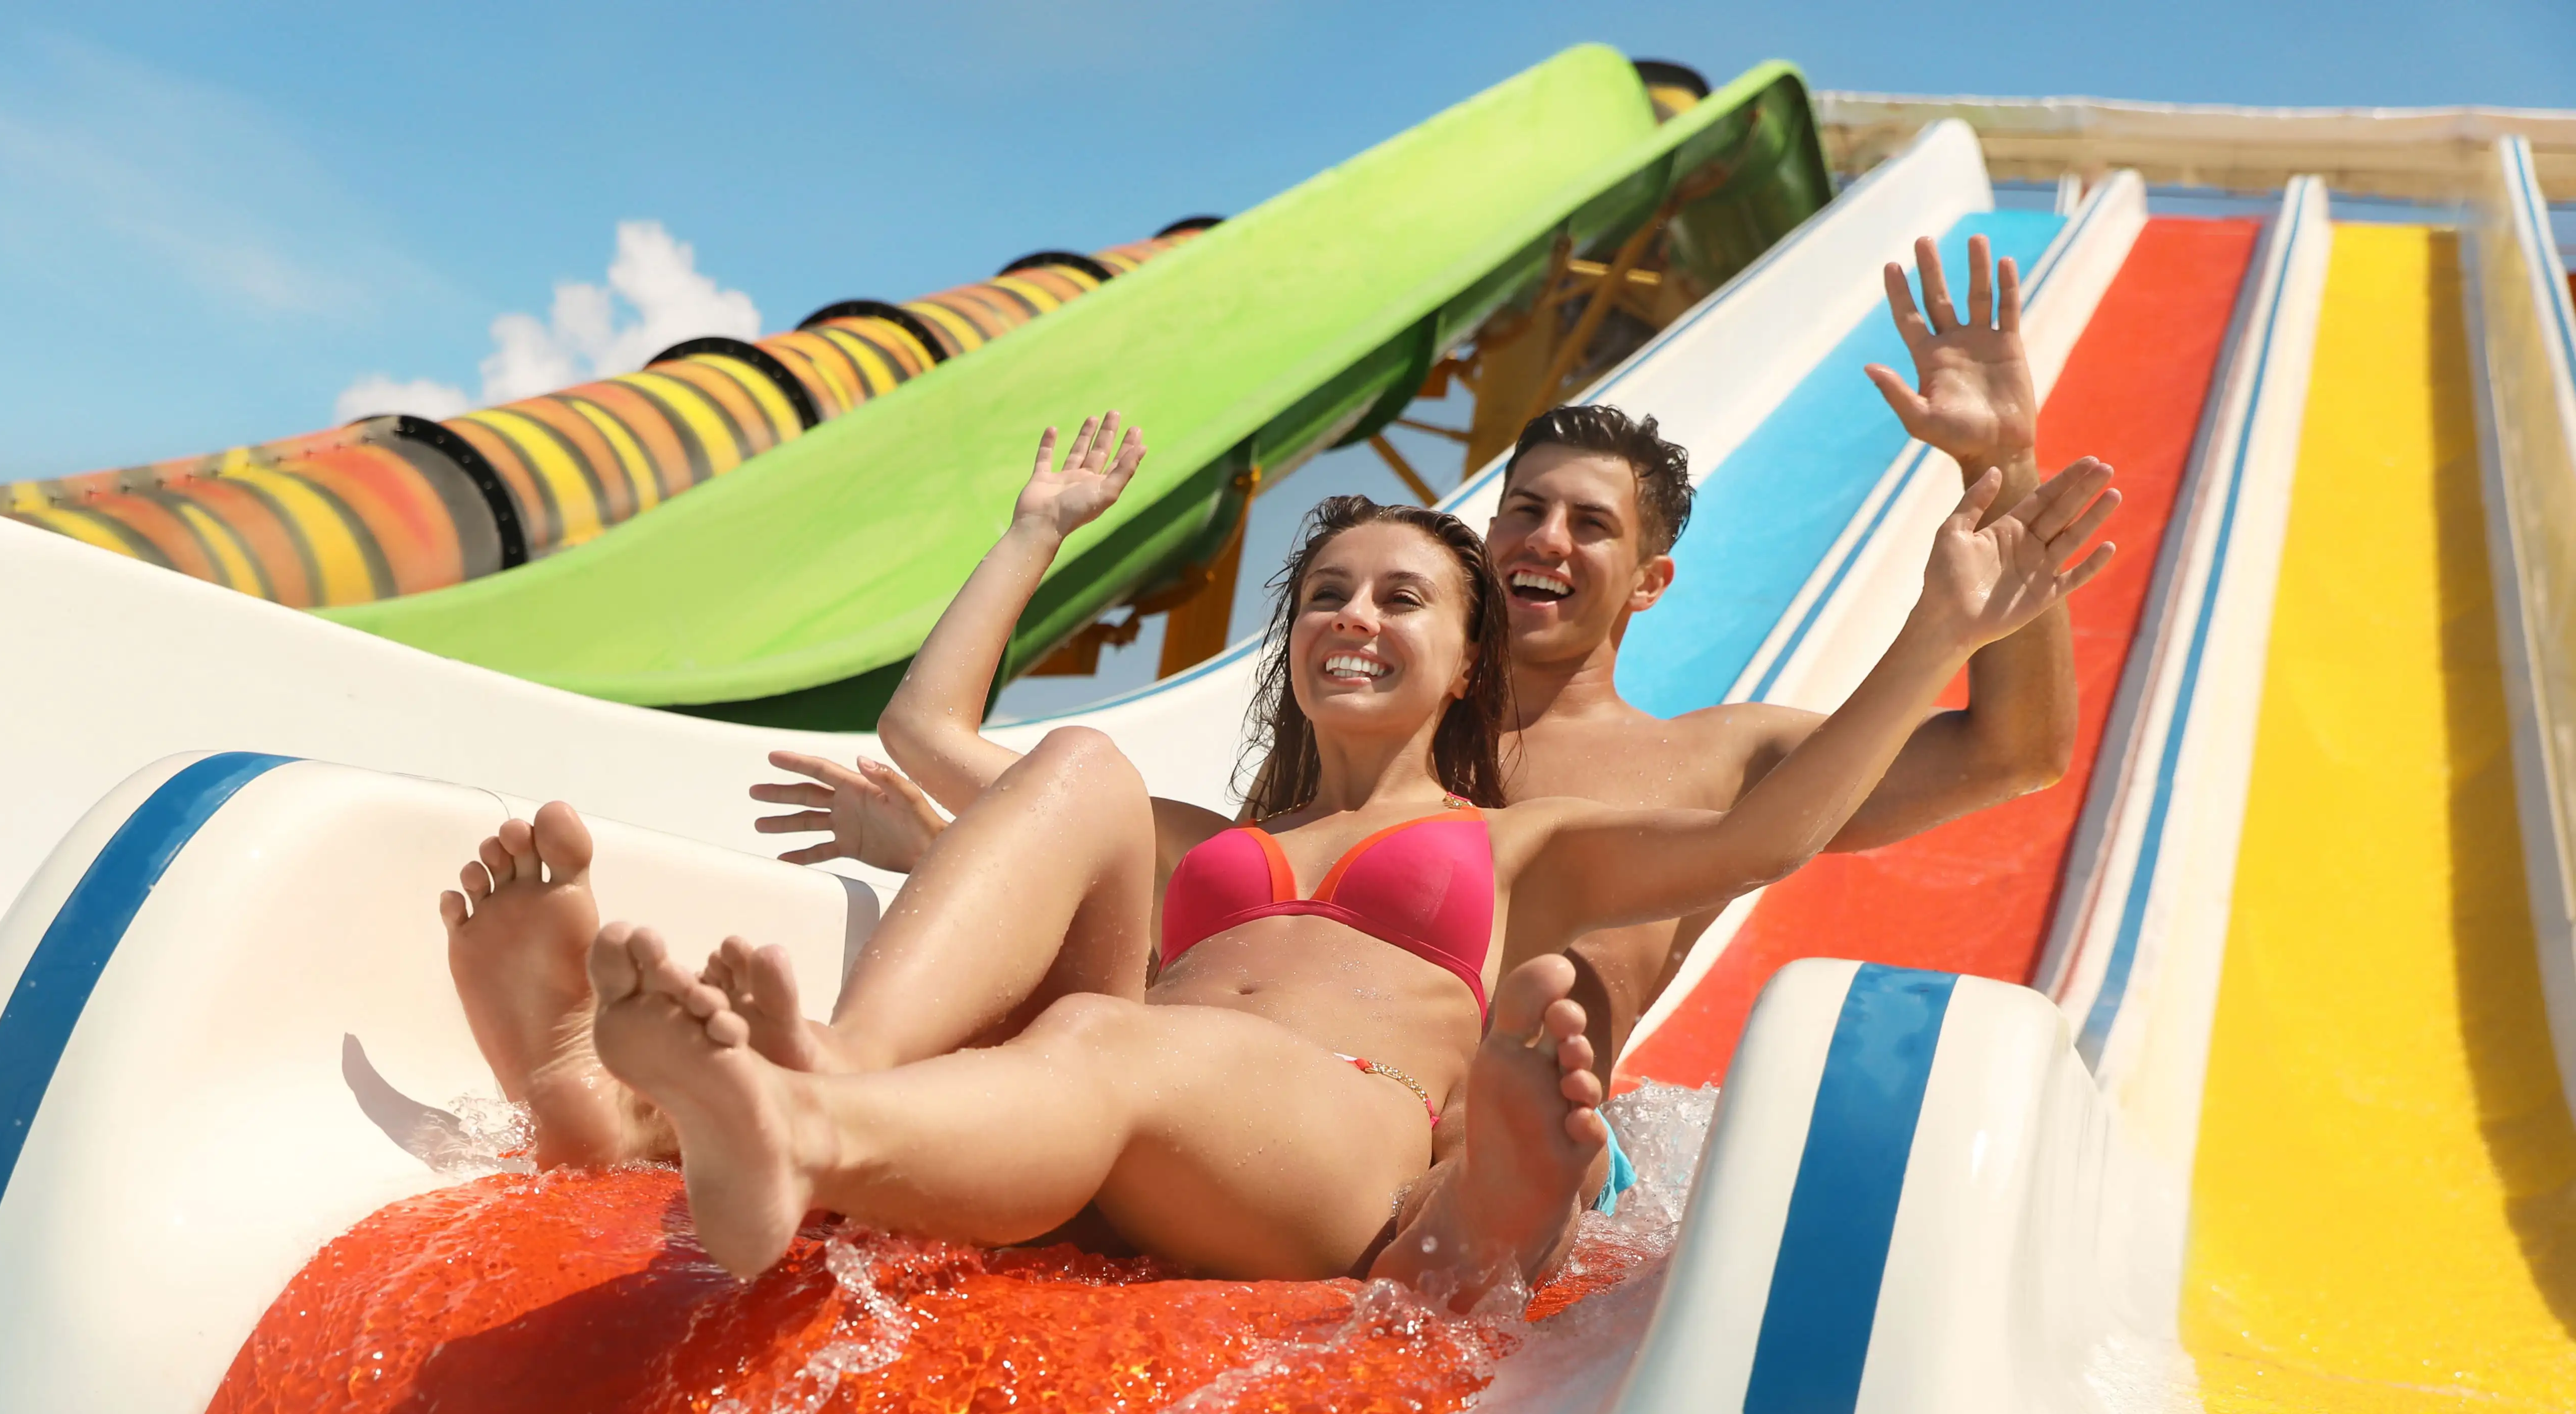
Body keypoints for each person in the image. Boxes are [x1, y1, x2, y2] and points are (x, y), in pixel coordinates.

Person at [448, 404, 2116, 1299]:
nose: (1361, 614)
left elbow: (1795, 823)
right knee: (1084, 778)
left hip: (1379, 1138)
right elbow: (940, 736)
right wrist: (1035, 536)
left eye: (1407, 594)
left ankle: (1491, 1209)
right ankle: (678, 1105)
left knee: (1124, 1036)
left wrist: (1939, 616)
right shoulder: (1224, 831)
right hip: (1165, 1083)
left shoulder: (1556, 823)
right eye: (1329, 594)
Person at [748, 237, 2075, 1284]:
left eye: (1590, 526)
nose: (1546, 538)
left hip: (1508, 1147)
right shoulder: (1353, 752)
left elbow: (2014, 752)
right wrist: (942, 849)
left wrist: (2005, 466)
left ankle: (1475, 1211)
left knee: (1509, 1077)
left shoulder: (1712, 762)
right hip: (1261, 1104)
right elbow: (1210, 924)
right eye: (1523, 509)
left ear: (1652, 579)